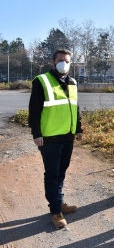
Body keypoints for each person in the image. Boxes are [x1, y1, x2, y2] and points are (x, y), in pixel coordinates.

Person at [28, 49, 83, 228]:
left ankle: (58, 201)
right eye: (60, 60)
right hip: (49, 137)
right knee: (52, 174)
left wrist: (79, 128)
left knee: (61, 172)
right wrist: (36, 134)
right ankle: (55, 212)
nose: (63, 64)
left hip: (68, 136)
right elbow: (34, 111)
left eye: (67, 61)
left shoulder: (73, 82)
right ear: (53, 62)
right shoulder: (42, 81)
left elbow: (75, 108)